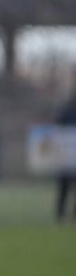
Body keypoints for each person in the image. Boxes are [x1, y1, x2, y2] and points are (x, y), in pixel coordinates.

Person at [54, 93, 76, 221]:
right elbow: (58, 129)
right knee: (64, 186)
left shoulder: (65, 111)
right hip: (66, 155)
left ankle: (66, 214)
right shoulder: (66, 111)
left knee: (65, 186)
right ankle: (60, 214)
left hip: (68, 155)